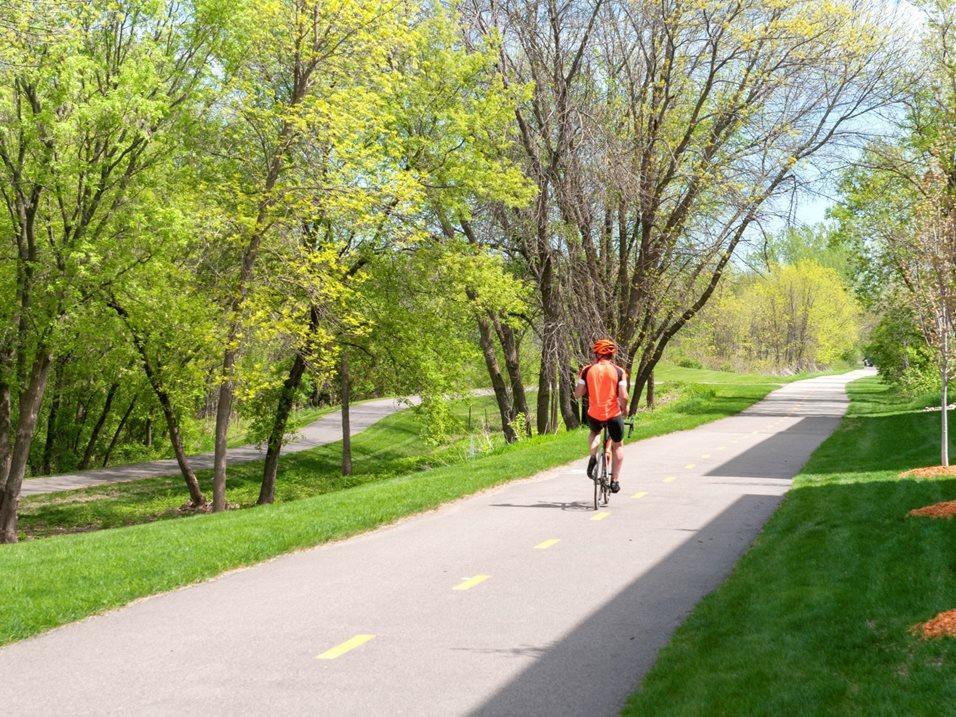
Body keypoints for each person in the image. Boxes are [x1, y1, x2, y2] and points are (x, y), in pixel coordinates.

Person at [574, 339, 629, 493]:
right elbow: (623, 396)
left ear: (597, 354)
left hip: (594, 414)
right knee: (618, 445)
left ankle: (593, 456)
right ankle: (615, 481)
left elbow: (578, 394)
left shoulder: (586, 370)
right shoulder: (619, 371)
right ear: (611, 354)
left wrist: (584, 387)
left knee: (594, 433)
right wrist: (625, 409)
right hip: (613, 414)